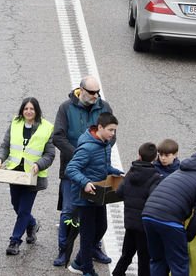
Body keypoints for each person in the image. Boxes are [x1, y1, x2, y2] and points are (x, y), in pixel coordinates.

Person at [53, 76, 115, 268]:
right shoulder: (66, 108)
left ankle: (93, 246)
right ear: (81, 90)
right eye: (91, 92)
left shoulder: (104, 107)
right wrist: (81, 153)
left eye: (98, 92)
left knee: (97, 213)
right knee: (70, 211)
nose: (96, 96)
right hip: (73, 169)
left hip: (97, 172)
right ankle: (64, 250)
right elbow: (58, 136)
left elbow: (112, 136)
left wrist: (100, 150)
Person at [0, 97, 56, 256]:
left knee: (23, 210)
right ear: (22, 110)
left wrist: (38, 165)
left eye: (32, 109)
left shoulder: (47, 128)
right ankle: (32, 225)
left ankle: (14, 241)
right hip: (15, 173)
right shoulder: (15, 123)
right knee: (16, 204)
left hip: (33, 176)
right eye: (26, 109)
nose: (28, 112)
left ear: (37, 111)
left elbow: (49, 154)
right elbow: (5, 146)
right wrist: (0, 158)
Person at [142, 151, 196, 276]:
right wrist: (188, 235)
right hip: (171, 221)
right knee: (179, 264)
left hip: (148, 215)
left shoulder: (177, 173)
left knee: (158, 260)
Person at [65, 113, 124, 276]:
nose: (113, 134)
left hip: (99, 195)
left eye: (114, 130)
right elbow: (71, 169)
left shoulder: (104, 143)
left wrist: (115, 172)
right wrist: (85, 183)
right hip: (86, 198)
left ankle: (78, 261)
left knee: (101, 228)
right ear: (99, 128)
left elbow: (102, 166)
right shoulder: (88, 148)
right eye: (110, 130)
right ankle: (87, 270)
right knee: (88, 234)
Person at [113, 143, 162, 276]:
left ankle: (118, 273)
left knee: (126, 254)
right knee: (144, 258)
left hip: (130, 222)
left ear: (139, 156)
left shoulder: (131, 172)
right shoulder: (155, 177)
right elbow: (153, 201)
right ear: (155, 158)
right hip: (144, 225)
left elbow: (119, 192)